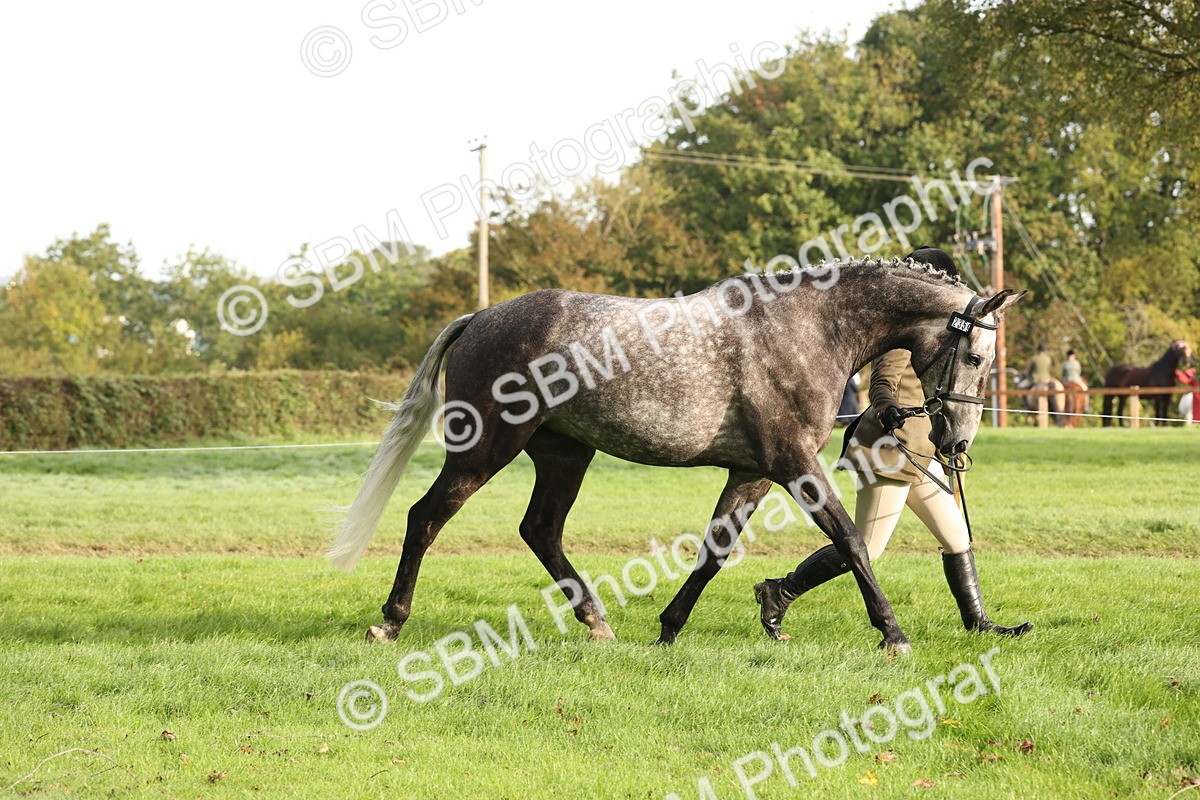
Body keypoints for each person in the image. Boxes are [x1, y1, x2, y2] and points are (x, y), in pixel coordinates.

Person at [753, 247, 1033, 641]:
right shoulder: (904, 338)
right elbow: (881, 384)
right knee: (867, 546)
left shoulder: (945, 337)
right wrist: (887, 410)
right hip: (890, 451)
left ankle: (978, 624)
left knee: (956, 539)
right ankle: (779, 592)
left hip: (921, 455)